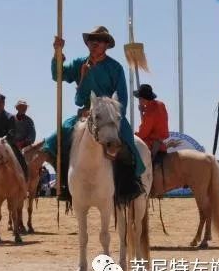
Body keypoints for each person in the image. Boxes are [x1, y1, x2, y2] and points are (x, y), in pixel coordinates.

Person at [43, 26, 145, 202]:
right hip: (83, 114)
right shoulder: (79, 63)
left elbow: (121, 98)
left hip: (109, 116)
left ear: (106, 45)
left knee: (127, 141)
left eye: (99, 40)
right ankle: (66, 182)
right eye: (91, 39)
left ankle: (129, 184)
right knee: (53, 141)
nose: (94, 43)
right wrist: (57, 53)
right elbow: (57, 75)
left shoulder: (115, 68)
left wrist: (111, 113)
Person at [133, 84, 169, 163]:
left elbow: (143, 134)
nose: (139, 100)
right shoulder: (161, 104)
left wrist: (134, 135)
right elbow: (157, 115)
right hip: (161, 143)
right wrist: (144, 109)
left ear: (142, 99)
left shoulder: (149, 113)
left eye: (139, 98)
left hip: (152, 144)